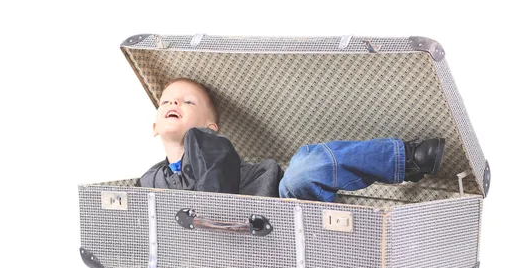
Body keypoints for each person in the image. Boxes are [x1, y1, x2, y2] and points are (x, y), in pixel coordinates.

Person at [139, 78, 445, 202]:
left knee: (307, 168)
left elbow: (215, 192)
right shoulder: (150, 179)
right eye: (166, 102)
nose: (174, 104)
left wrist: (199, 140)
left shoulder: (214, 147)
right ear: (154, 126)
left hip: (282, 202)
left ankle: (405, 159)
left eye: (187, 103)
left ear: (212, 127)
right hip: (251, 242)